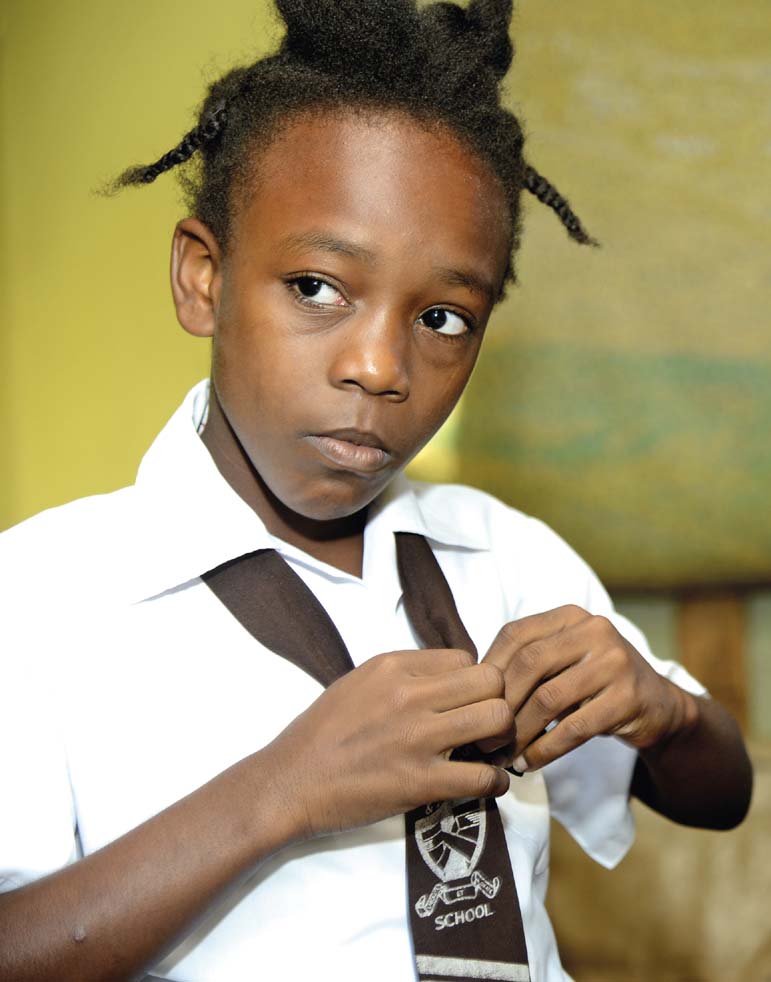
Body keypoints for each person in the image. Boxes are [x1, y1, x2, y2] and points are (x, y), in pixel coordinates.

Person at [0, 1, 752, 980]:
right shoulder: (44, 594)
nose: (378, 364)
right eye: (317, 286)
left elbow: (719, 792)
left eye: (443, 315)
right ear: (203, 277)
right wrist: (285, 790)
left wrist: (665, 709)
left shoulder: (506, 556)